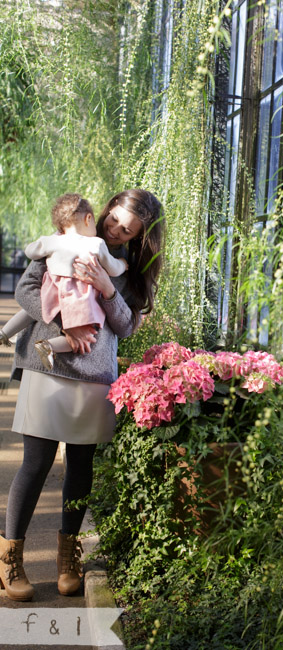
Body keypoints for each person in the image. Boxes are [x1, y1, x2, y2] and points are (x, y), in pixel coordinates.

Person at [0, 188, 164, 601]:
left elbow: (125, 327)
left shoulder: (129, 269)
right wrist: (64, 321)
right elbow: (25, 292)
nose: (116, 230)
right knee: (35, 463)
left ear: (140, 236)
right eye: (113, 220)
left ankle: (68, 558)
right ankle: (9, 557)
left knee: (80, 467)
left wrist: (108, 288)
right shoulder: (66, 237)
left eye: (127, 231)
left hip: (95, 375)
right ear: (104, 211)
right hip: (48, 365)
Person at [0, 193, 129, 371]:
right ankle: (49, 346)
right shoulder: (96, 243)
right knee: (88, 334)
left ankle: (4, 332)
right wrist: (123, 264)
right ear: (88, 219)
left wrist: (40, 245)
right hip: (78, 295)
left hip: (52, 287)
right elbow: (113, 268)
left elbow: (31, 251)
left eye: (126, 230)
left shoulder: (53, 240)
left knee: (34, 310)